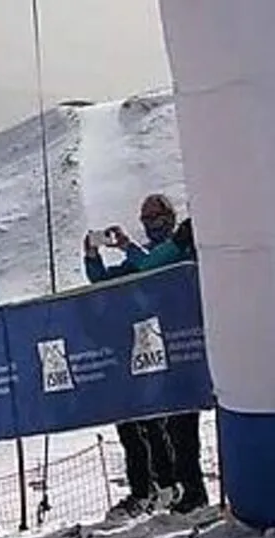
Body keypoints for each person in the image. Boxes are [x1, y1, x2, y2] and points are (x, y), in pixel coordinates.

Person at [84, 193, 182, 520]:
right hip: (138, 349)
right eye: (146, 220)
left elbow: (153, 267)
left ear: (168, 218)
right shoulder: (140, 255)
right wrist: (92, 256)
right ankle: (146, 490)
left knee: (166, 424)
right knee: (131, 422)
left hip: (173, 346)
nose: (151, 225)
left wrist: (128, 246)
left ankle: (173, 486)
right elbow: (106, 282)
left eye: (155, 218)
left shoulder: (175, 249)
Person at [128, 215, 209, 515]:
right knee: (179, 426)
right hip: (179, 346)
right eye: (146, 217)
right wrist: (177, 243)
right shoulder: (173, 249)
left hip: (213, 339)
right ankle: (193, 490)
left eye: (156, 215)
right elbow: (146, 268)